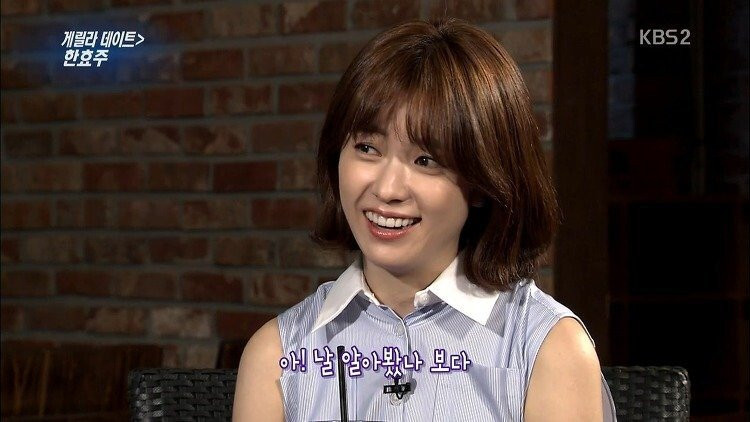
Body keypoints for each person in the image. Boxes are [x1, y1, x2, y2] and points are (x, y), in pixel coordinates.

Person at [233, 18, 617, 421]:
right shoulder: (277, 354)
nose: (388, 189)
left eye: (425, 160)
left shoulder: (548, 349)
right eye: (367, 148)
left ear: (484, 182)